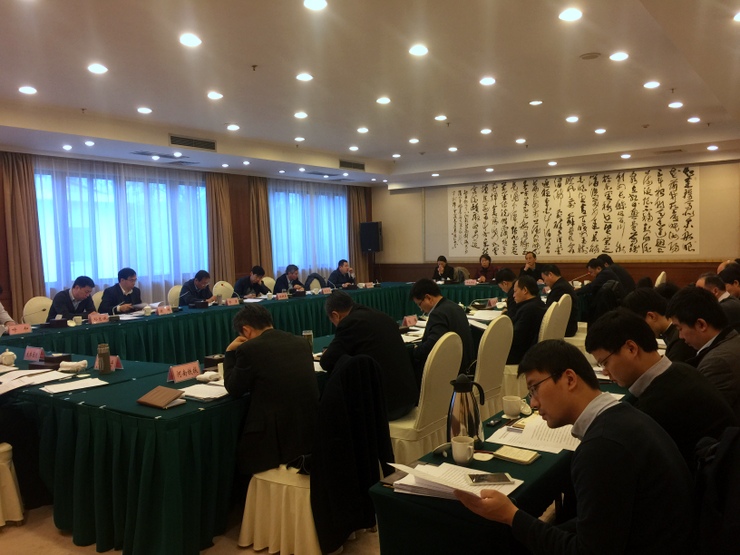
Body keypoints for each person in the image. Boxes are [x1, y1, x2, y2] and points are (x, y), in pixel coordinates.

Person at [455, 340, 695, 555]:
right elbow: (597, 525)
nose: (534, 402)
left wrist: (511, 516)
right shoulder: (621, 417)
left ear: (569, 379)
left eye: (534, 388)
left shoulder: (602, 447)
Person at [585, 308, 736, 469]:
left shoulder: (658, 405)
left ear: (631, 348)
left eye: (605, 363)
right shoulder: (681, 370)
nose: (605, 372)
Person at [223, 304, 319, 477]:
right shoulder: (301, 342)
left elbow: (234, 388)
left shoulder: (249, 349)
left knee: (234, 463)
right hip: (309, 431)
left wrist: (229, 352)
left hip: (273, 442)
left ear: (246, 330)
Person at [320, 291, 418, 420]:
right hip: (410, 399)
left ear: (335, 315)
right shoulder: (381, 315)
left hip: (386, 407)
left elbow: (327, 362)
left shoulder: (349, 322)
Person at [666, 286, 740, 420]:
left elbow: (702, 417)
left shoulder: (717, 363)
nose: (680, 336)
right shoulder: (733, 338)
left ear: (701, 325)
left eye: (680, 328)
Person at [409, 279, 474, 379]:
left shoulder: (438, 314)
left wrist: (413, 351)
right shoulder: (455, 307)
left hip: (449, 373)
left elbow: (433, 346)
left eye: (419, 304)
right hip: (465, 367)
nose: (420, 309)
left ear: (428, 298)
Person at [622, 287, 697, 362]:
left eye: (639, 326)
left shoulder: (680, 340)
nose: (640, 332)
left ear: (651, 316)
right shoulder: (671, 334)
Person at [507, 276, 547, 364]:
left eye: (515, 291)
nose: (513, 295)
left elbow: (516, 339)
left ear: (525, 290)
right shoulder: (539, 303)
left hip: (521, 356)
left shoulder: (528, 310)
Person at [540, 263, 578, 337]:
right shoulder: (562, 283)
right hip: (569, 325)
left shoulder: (559, 288)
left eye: (544, 279)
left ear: (550, 274)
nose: (544, 282)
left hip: (565, 328)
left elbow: (550, 310)